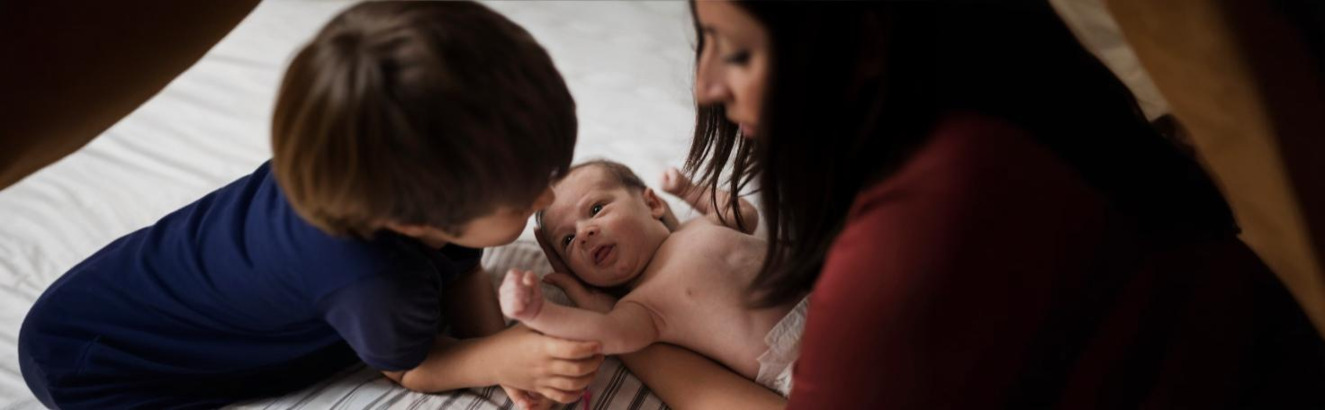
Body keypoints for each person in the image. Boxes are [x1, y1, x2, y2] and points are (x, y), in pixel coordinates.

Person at [550, 1, 1325, 408]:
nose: (705, 87)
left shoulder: (907, 244)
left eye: (736, 48)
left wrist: (648, 347)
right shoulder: (1035, 111)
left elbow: (745, 227)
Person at [17, 2, 600, 409]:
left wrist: (501, 348)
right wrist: (493, 361)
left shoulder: (372, 171)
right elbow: (409, 367)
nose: (546, 198)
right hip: (101, 367)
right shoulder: (373, 279)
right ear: (416, 218)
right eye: (526, 192)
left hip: (99, 304)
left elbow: (461, 264)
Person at [499, 160, 804, 397]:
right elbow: (605, 332)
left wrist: (688, 191)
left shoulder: (697, 228)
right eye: (567, 240)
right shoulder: (642, 306)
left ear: (652, 204)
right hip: (802, 360)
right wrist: (538, 312)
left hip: (829, 288)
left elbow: (743, 213)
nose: (583, 233)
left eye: (596, 209)